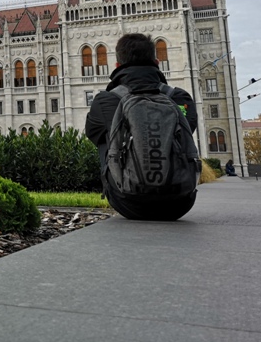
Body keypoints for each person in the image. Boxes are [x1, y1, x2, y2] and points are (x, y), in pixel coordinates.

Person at [85, 33, 198, 221]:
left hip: (127, 202)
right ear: (157, 61)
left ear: (117, 66)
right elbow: (188, 132)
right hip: (180, 202)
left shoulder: (105, 100)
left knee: (107, 136)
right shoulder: (180, 99)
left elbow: (93, 136)